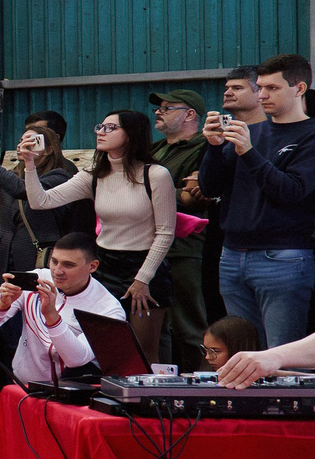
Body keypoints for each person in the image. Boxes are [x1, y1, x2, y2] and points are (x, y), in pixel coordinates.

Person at [20, 108, 174, 355]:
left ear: (132, 134)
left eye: (111, 128)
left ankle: (147, 395)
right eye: (100, 127)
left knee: (143, 349)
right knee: (104, 345)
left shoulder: (155, 174)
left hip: (145, 265)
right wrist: (29, 163)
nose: (101, 132)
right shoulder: (93, 175)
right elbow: (41, 201)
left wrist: (142, 279)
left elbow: (165, 233)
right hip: (105, 263)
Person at [200, 54, 315, 348]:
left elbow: (291, 191)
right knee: (241, 352)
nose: (262, 95)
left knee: (282, 354)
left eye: (272, 88)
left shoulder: (309, 136)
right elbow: (210, 187)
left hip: (283, 256)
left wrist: (249, 153)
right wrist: (214, 149)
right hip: (232, 254)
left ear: (299, 89)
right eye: (260, 87)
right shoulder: (250, 132)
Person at [0, 233, 123, 389]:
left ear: (92, 266)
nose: (57, 271)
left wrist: (52, 316)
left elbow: (77, 359)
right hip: (24, 386)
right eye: (54, 261)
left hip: (73, 394)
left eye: (68, 265)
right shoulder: (37, 279)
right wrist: (1, 305)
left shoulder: (108, 308)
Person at [148, 87, 213, 370]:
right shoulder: (154, 149)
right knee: (156, 327)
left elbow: (192, 198)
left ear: (189, 115)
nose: (158, 112)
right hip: (147, 246)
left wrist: (146, 190)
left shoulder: (204, 148)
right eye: (157, 108)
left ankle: (200, 387)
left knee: (188, 325)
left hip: (182, 247)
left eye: (166, 107)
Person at [0, 121, 89, 252]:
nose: (21, 145)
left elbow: (24, 190)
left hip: (34, 254)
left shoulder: (59, 177)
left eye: (30, 141)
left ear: (47, 150)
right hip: (4, 254)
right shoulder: (11, 176)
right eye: (20, 141)